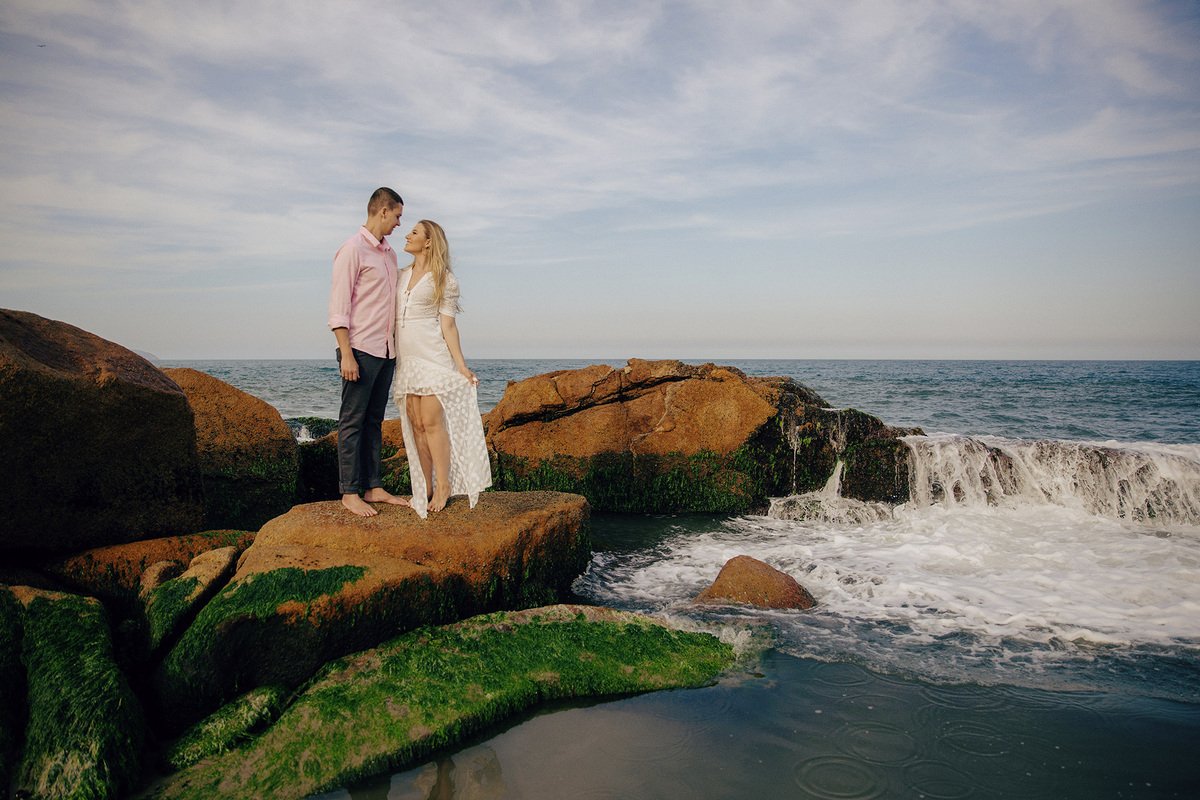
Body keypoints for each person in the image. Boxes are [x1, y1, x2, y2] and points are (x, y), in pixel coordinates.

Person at [393, 220, 492, 517]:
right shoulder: (399, 275)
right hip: (406, 360)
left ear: (428, 242)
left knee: (431, 421)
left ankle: (444, 485)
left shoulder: (445, 280)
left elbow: (448, 326)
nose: (407, 235)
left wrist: (461, 366)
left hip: (433, 357)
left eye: (414, 232)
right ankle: (425, 486)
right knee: (416, 424)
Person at [328, 187, 410, 517]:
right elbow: (338, 307)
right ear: (383, 211)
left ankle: (373, 487)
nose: (399, 224)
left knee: (374, 421)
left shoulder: (390, 254)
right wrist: (346, 353)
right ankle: (349, 493)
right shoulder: (352, 249)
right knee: (352, 422)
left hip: (386, 351)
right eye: (398, 216)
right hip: (359, 350)